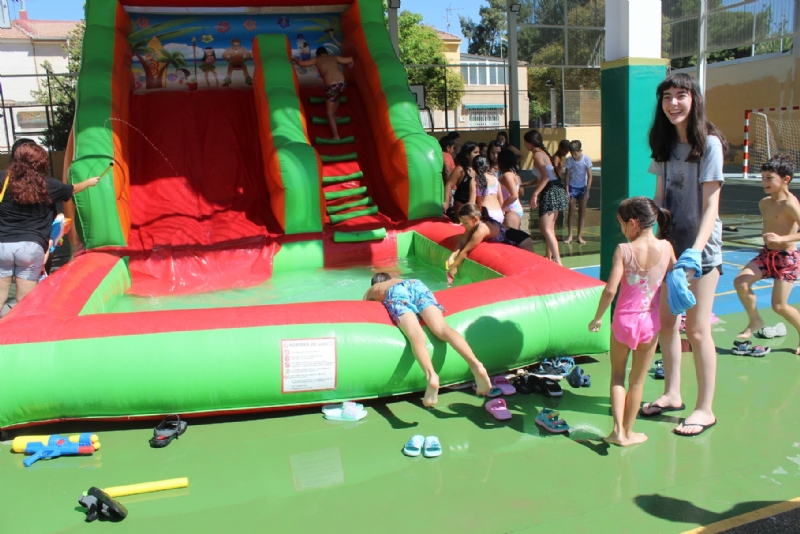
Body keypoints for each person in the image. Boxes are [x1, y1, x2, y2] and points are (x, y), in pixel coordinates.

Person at [640, 72, 726, 437]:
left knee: (699, 330)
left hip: (700, 252)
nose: (673, 103)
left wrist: (695, 252)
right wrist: (644, 228)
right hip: (670, 248)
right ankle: (672, 394)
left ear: (694, 99)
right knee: (667, 325)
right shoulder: (662, 144)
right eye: (667, 97)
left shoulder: (709, 144)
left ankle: (704, 409)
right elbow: (660, 199)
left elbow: (711, 206)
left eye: (681, 95)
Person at [589, 197, 675, 446]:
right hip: (650, 322)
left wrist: (597, 317)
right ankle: (629, 432)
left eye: (622, 224)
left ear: (634, 223)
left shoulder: (624, 250)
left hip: (624, 322)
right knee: (637, 380)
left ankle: (617, 431)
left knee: (617, 375)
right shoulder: (667, 248)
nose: (621, 230)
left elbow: (610, 290)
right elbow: (676, 279)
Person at [364, 273, 493, 406]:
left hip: (396, 293)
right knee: (442, 328)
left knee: (416, 335)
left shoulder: (373, 289)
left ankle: (431, 375)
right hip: (416, 285)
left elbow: (363, 308)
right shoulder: (402, 280)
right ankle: (475, 364)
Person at [0, 143, 101, 307]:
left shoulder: (3, 178)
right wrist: (89, 182)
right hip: (31, 246)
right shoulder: (48, 184)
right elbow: (71, 189)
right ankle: (26, 329)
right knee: (26, 299)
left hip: (2, 244)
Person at [734, 154, 800, 352]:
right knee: (740, 282)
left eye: (769, 178)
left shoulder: (791, 204)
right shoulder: (764, 203)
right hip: (766, 255)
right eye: (762, 177)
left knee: (779, 306)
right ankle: (755, 320)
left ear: (785, 179)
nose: (764, 182)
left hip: (786, 259)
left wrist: (783, 240)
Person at [447, 203, 534, 282]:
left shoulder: (482, 229)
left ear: (475, 219)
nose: (464, 225)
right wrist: (452, 256)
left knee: (530, 270)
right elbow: (463, 241)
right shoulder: (474, 224)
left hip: (522, 241)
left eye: (465, 223)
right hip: (518, 239)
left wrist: (454, 267)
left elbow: (466, 250)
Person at [525, 130, 568, 265]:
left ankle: (557, 260)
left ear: (529, 143)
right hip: (556, 189)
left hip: (550, 191)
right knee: (550, 227)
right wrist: (522, 185)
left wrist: (535, 194)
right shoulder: (544, 154)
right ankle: (548, 256)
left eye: (525, 142)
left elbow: (545, 177)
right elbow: (541, 178)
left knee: (546, 229)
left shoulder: (537, 155)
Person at [293, 47, 354, 140]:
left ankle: (336, 136)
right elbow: (350, 59)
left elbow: (301, 64)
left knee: (329, 112)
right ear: (326, 53)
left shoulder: (317, 59)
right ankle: (335, 115)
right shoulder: (334, 57)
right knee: (337, 97)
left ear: (318, 54)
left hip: (332, 86)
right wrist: (351, 64)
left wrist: (294, 58)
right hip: (342, 84)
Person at [563, 140, 593, 245]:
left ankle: (579, 236)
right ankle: (570, 235)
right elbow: (566, 176)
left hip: (583, 187)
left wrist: (587, 191)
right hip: (573, 187)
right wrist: (567, 190)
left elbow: (590, 176)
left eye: (575, 153)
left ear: (580, 151)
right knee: (571, 211)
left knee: (582, 212)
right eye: (571, 153)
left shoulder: (586, 159)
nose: (574, 156)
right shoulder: (569, 161)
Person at [443, 142, 479, 221]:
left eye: (479, 152)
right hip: (461, 204)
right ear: (467, 155)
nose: (478, 155)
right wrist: (446, 202)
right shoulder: (461, 169)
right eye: (475, 152)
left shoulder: (479, 169)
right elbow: (449, 185)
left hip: (476, 205)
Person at [473, 156, 504, 224]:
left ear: (473, 167)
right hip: (499, 213)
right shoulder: (495, 179)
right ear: (488, 166)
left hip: (486, 214)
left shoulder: (475, 181)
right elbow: (501, 201)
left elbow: (472, 203)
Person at [497, 149, 523, 230]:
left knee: (511, 239)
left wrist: (501, 207)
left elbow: (514, 195)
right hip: (513, 209)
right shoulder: (513, 174)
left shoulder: (507, 175)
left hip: (511, 210)